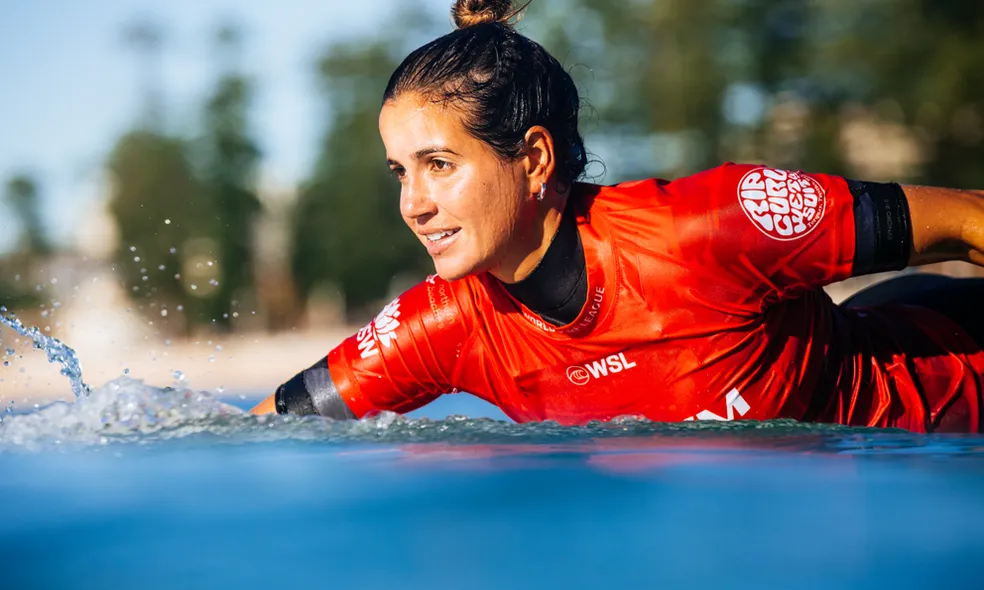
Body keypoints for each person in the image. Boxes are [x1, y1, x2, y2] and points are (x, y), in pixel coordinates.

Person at [251, 0, 984, 432]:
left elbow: (966, 218)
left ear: (534, 159)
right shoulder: (445, 326)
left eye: (439, 164)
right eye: (400, 172)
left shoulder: (707, 228)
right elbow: (256, 435)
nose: (412, 204)